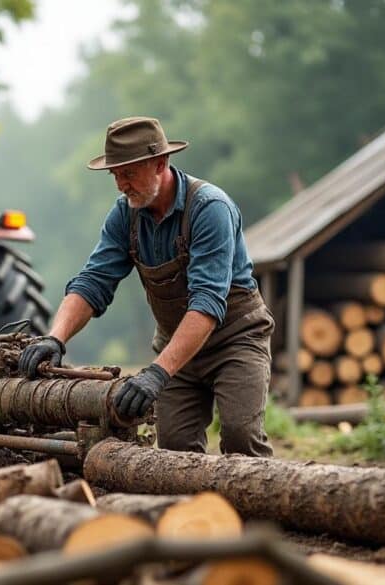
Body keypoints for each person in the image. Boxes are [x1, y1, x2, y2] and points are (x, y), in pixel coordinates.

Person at [19, 116, 274, 456]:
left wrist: (156, 374)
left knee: (241, 437)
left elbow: (208, 302)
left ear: (160, 163)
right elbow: (94, 281)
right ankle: (194, 511)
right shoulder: (125, 215)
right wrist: (56, 337)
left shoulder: (210, 209)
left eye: (129, 173)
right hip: (175, 345)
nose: (121, 185)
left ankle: (256, 509)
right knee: (174, 451)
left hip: (235, 341)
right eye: (115, 175)